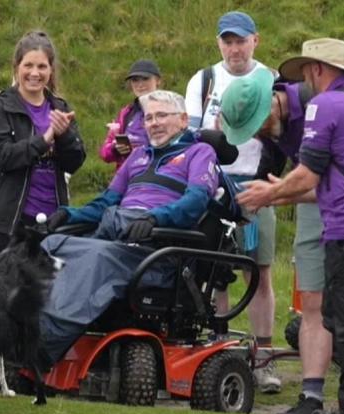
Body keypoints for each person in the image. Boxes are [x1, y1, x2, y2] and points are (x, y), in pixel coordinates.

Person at [221, 73, 344, 414]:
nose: (256, 136)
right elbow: (305, 184)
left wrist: (274, 193)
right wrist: (271, 196)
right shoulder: (278, 124)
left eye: (256, 126)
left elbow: (325, 180)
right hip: (331, 213)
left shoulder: (323, 106)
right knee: (326, 308)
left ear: (272, 104)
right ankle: (325, 401)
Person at [40, 90, 220, 363]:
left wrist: (155, 218)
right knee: (48, 246)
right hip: (119, 237)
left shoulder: (199, 153)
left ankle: (44, 345)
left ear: (183, 120)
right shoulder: (137, 158)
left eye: (162, 116)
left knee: (96, 257)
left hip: (158, 250)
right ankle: (23, 327)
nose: (154, 123)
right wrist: (68, 215)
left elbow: (195, 201)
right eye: (149, 118)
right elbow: (106, 203)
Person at [185, 11, 277, 363]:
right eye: (228, 41)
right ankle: (216, 345)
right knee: (213, 269)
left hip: (258, 184)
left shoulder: (271, 80)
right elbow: (189, 134)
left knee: (259, 270)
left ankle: (264, 355)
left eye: (241, 40)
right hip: (212, 184)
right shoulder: (204, 79)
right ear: (219, 43)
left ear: (256, 40)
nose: (235, 49)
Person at [0, 30, 86, 258]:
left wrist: (65, 135)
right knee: (9, 290)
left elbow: (74, 162)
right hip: (8, 218)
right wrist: (44, 139)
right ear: (17, 67)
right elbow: (2, 157)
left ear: (51, 70)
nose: (34, 73)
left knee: (48, 290)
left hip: (52, 217)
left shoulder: (61, 107)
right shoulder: (0, 107)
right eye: (28, 66)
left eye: (42, 67)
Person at [99, 59, 161, 170]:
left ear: (158, 80)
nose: (140, 85)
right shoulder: (126, 113)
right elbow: (105, 153)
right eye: (135, 80)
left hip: (159, 177)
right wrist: (116, 149)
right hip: (128, 180)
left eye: (145, 79)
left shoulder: (171, 110)